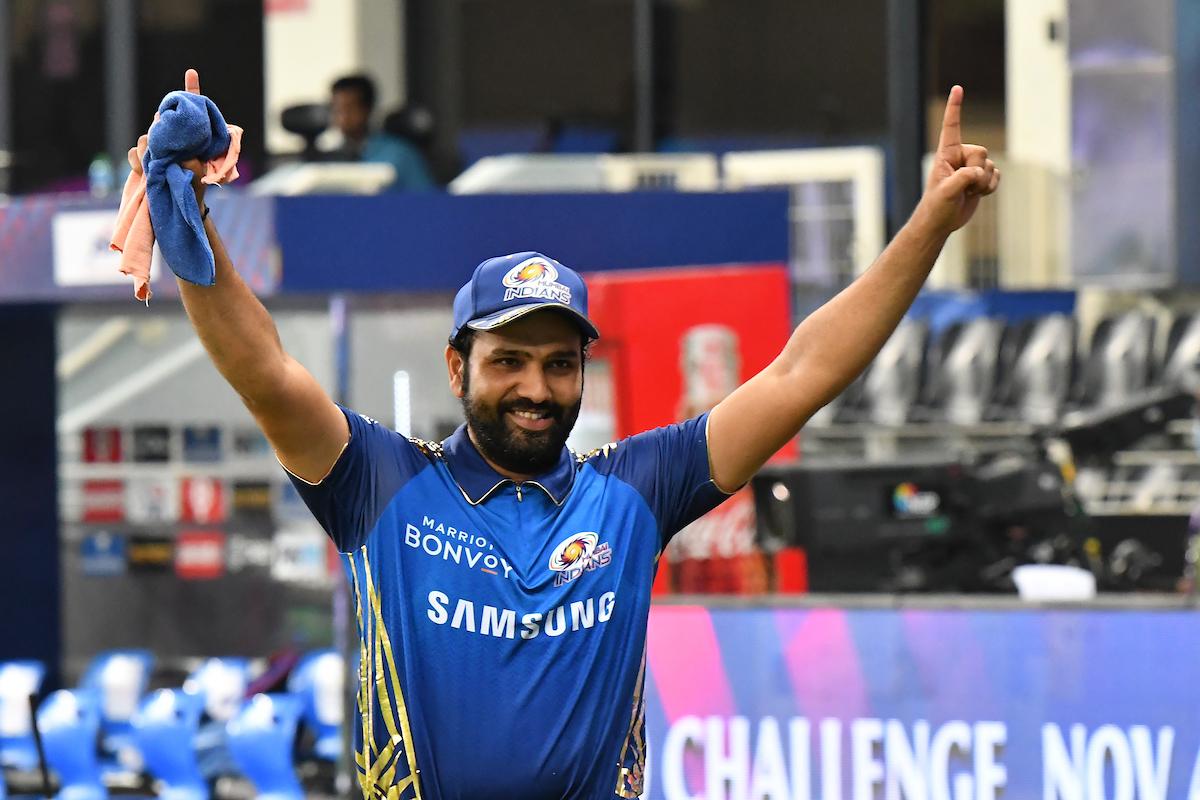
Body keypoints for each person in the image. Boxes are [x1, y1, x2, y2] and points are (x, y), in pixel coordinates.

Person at [174, 67, 998, 798]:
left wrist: (927, 227)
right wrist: (190, 207)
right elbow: (265, 372)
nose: (536, 389)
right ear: (458, 369)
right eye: (509, 362)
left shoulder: (636, 489)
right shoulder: (381, 483)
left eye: (560, 364)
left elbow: (802, 372)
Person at [328, 73, 435, 191]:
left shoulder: (400, 154)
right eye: (336, 109)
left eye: (349, 108)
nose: (342, 117)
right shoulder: (327, 158)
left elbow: (426, 199)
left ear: (367, 109)